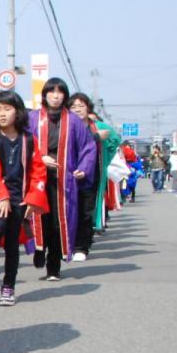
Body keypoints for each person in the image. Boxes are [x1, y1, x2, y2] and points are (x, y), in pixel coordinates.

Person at [0, 91, 48, 306]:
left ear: (18, 112)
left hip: (21, 199)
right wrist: (1, 196)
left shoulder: (28, 140)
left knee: (13, 246)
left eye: (7, 109)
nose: (2, 114)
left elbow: (38, 171)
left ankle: (8, 287)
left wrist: (34, 199)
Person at [28, 77, 96, 280]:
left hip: (63, 179)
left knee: (59, 222)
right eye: (51, 92)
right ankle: (39, 248)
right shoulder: (32, 118)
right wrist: (40, 157)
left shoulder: (73, 121)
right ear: (45, 95)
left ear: (64, 96)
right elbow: (23, 144)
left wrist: (83, 168)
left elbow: (88, 148)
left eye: (60, 93)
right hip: (37, 176)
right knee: (39, 217)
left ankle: (53, 265)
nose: (56, 96)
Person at [66, 93, 102, 261]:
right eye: (73, 106)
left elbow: (113, 137)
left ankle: (82, 247)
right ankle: (68, 245)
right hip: (68, 176)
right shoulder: (64, 126)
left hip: (89, 176)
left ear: (88, 108)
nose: (77, 109)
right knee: (68, 211)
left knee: (85, 213)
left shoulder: (96, 127)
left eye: (81, 106)